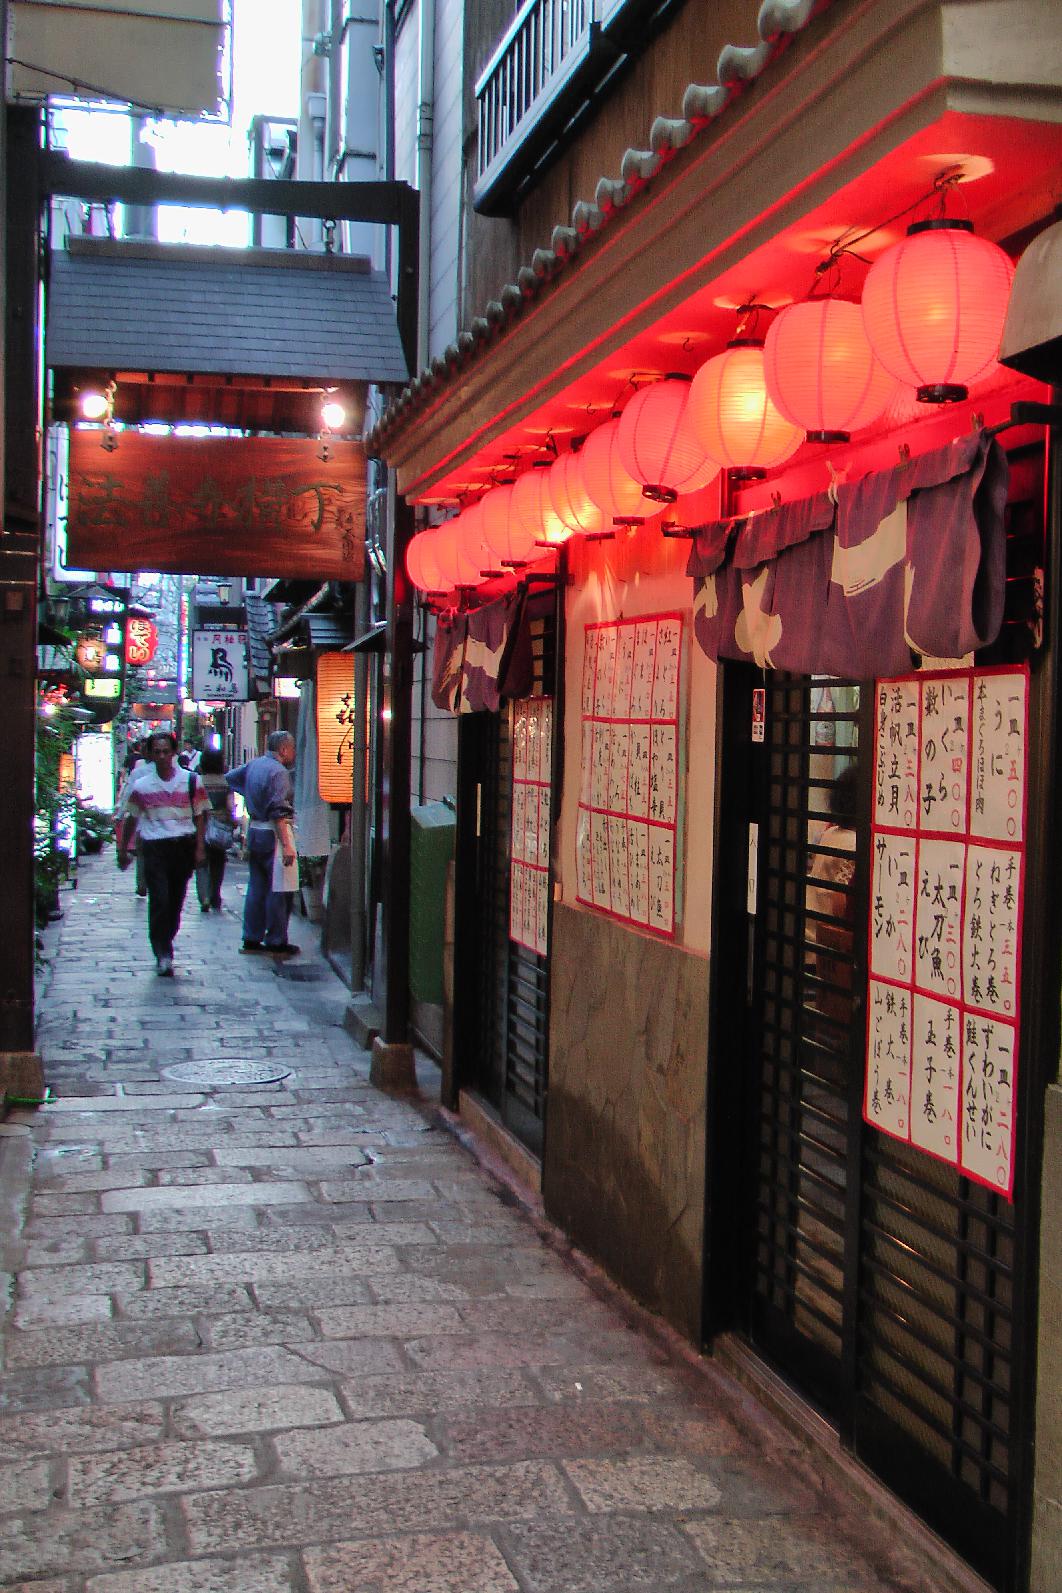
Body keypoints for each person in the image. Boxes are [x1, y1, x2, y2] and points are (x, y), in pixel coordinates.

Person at [116, 731, 208, 976]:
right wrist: (123, 849)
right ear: (150, 754)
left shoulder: (190, 781)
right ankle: (162, 950)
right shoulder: (142, 786)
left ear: (174, 752)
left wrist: (199, 847)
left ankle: (166, 938)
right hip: (155, 847)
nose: (162, 756)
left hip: (182, 846)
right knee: (160, 899)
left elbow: (200, 815)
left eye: (166, 751)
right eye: (157, 752)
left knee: (176, 901)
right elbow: (132, 818)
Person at [225, 730, 299, 958]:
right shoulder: (279, 772)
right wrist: (287, 844)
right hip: (272, 832)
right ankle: (276, 938)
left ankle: (252, 935)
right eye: (292, 749)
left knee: (257, 886)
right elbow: (278, 810)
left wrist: (249, 792)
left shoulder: (254, 765)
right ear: (284, 749)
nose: (294, 753)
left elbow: (231, 777)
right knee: (278, 887)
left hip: (255, 829)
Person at [195, 748, 237, 912]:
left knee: (202, 861)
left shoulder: (198, 781)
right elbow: (229, 806)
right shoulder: (225, 782)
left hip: (201, 825)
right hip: (219, 827)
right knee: (218, 863)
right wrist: (232, 821)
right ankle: (215, 895)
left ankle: (204, 895)